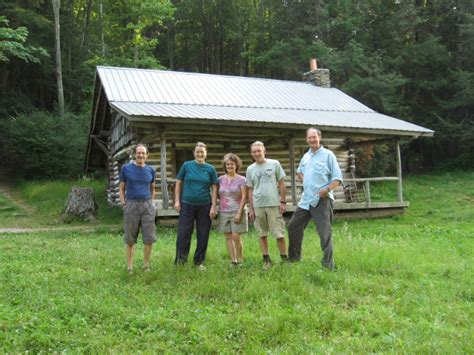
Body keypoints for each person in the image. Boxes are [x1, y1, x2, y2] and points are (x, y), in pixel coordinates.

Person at [288, 128, 343, 270]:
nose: (312, 140)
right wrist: (306, 181)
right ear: (307, 139)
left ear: (319, 137)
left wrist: (327, 189)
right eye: (309, 137)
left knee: (324, 234)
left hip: (322, 200)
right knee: (294, 226)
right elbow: (300, 171)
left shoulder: (328, 155)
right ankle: (294, 260)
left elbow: (337, 178)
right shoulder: (306, 156)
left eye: (314, 137)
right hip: (306, 200)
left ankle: (327, 265)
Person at [174, 142, 218, 269]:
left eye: (202, 152)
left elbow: (214, 187)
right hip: (187, 204)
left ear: (206, 154)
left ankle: (199, 261)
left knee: (203, 233)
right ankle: (180, 261)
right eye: (197, 152)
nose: (200, 154)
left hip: (205, 205)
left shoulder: (210, 169)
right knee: (183, 233)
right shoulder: (187, 166)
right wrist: (177, 200)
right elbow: (178, 182)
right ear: (194, 153)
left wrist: (213, 205)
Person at [246, 141, 288, 268]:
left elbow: (281, 184)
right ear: (251, 153)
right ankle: (266, 260)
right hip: (258, 205)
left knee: (279, 233)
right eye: (254, 152)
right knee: (262, 233)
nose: (257, 153)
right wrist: (251, 209)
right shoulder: (250, 169)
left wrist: (283, 201)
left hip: (274, 204)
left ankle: (284, 259)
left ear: (264, 151)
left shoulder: (274, 164)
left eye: (259, 151)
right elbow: (250, 190)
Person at [119, 144, 157, 274]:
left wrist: (150, 202)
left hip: (147, 205)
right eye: (138, 153)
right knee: (130, 239)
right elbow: (121, 188)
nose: (141, 155)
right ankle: (130, 267)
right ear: (135, 154)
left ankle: (146, 265)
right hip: (131, 205)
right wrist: (124, 203)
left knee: (149, 237)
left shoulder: (151, 170)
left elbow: (153, 188)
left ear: (147, 155)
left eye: (143, 153)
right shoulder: (126, 169)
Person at [218, 153, 248, 266]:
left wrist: (239, 213)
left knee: (236, 236)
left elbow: (244, 197)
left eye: (232, 164)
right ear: (225, 166)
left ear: (236, 165)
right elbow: (218, 194)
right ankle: (233, 260)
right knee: (228, 236)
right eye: (228, 164)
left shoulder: (241, 179)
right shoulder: (220, 179)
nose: (230, 166)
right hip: (224, 211)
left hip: (237, 210)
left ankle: (240, 260)